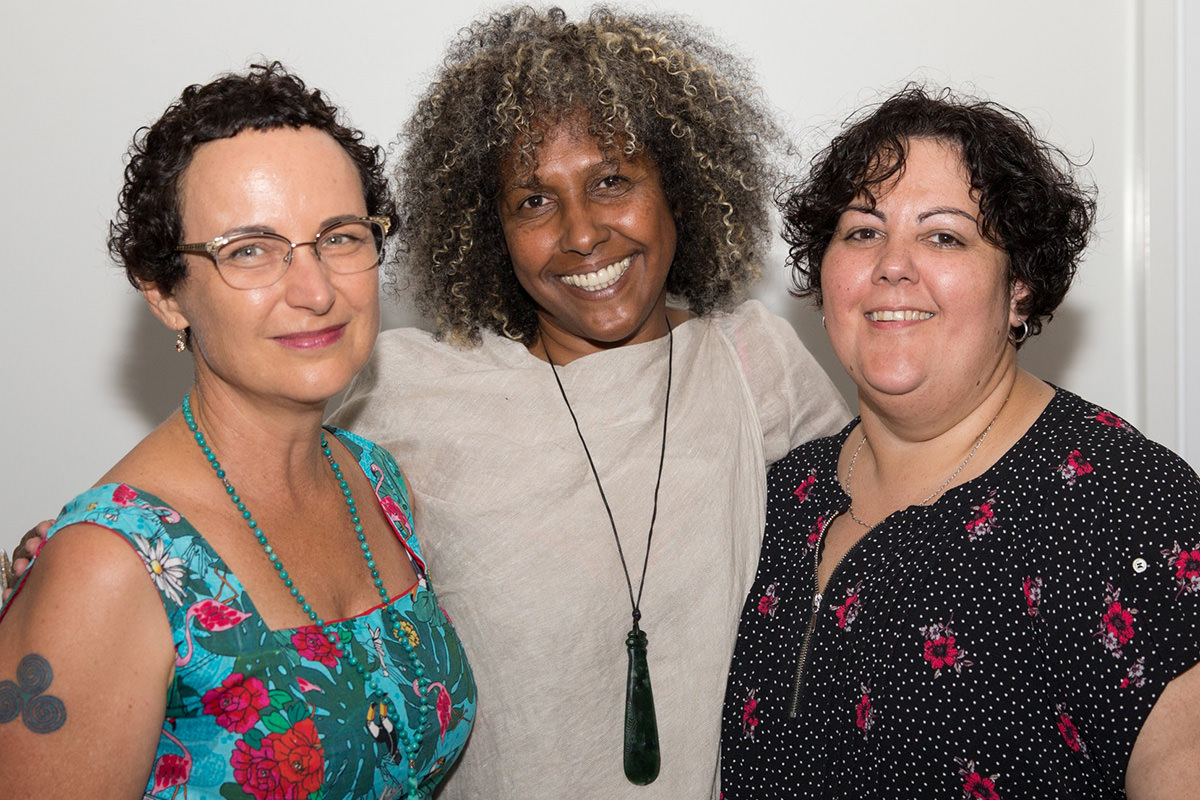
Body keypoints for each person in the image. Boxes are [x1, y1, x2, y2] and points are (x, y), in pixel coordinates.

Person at [329, 6, 848, 798]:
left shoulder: (751, 363)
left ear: (679, 188)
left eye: (612, 181)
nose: (582, 232)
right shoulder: (403, 390)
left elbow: (893, 546)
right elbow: (251, 512)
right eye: (534, 202)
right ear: (488, 230)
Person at [0, 64, 475, 799]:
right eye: (249, 250)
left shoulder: (377, 482)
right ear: (165, 295)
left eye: (341, 238)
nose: (315, 291)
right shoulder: (109, 568)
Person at [719, 86, 1200, 798]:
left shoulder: (1131, 507)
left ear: (1020, 289)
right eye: (861, 231)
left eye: (944, 235)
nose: (893, 264)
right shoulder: (776, 495)